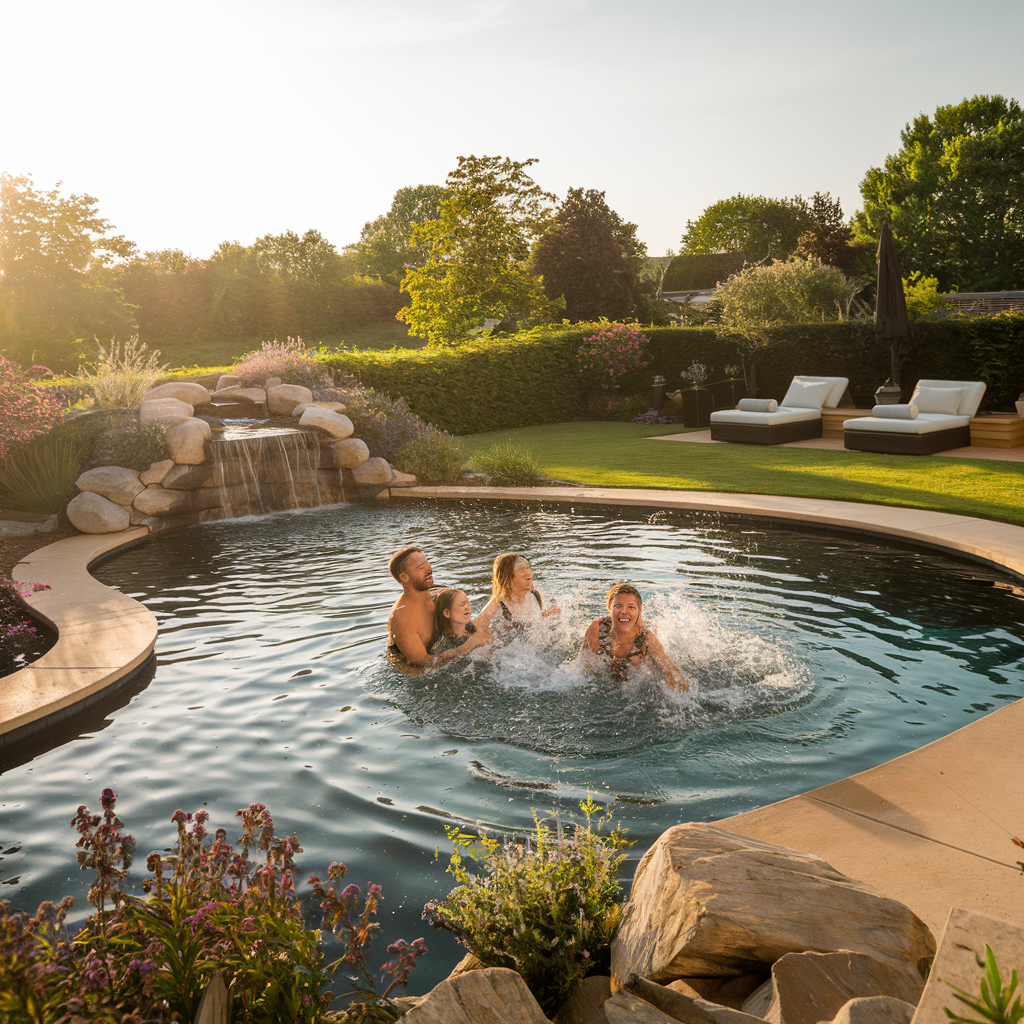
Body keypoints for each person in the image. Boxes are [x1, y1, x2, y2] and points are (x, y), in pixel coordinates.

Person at [385, 547, 489, 667]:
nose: (428, 569)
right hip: (411, 673)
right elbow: (422, 663)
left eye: (427, 563)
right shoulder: (402, 618)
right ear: (404, 577)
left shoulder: (439, 594)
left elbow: (466, 627)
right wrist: (468, 646)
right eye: (421, 567)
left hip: (443, 653)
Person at [581, 583, 690, 691]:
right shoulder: (598, 629)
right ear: (610, 609)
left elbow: (671, 673)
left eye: (631, 607)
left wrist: (678, 683)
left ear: (639, 611)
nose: (624, 611)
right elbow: (583, 668)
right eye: (618, 606)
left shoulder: (647, 640)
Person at [474, 553, 560, 635]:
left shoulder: (535, 595)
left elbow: (535, 623)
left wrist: (546, 615)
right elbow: (474, 629)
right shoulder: (498, 604)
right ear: (509, 577)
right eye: (522, 569)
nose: (528, 573)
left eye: (528, 568)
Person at [430, 588, 488, 657]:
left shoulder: (476, 630)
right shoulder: (442, 646)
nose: (468, 607)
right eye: (462, 604)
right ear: (447, 613)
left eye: (468, 603)